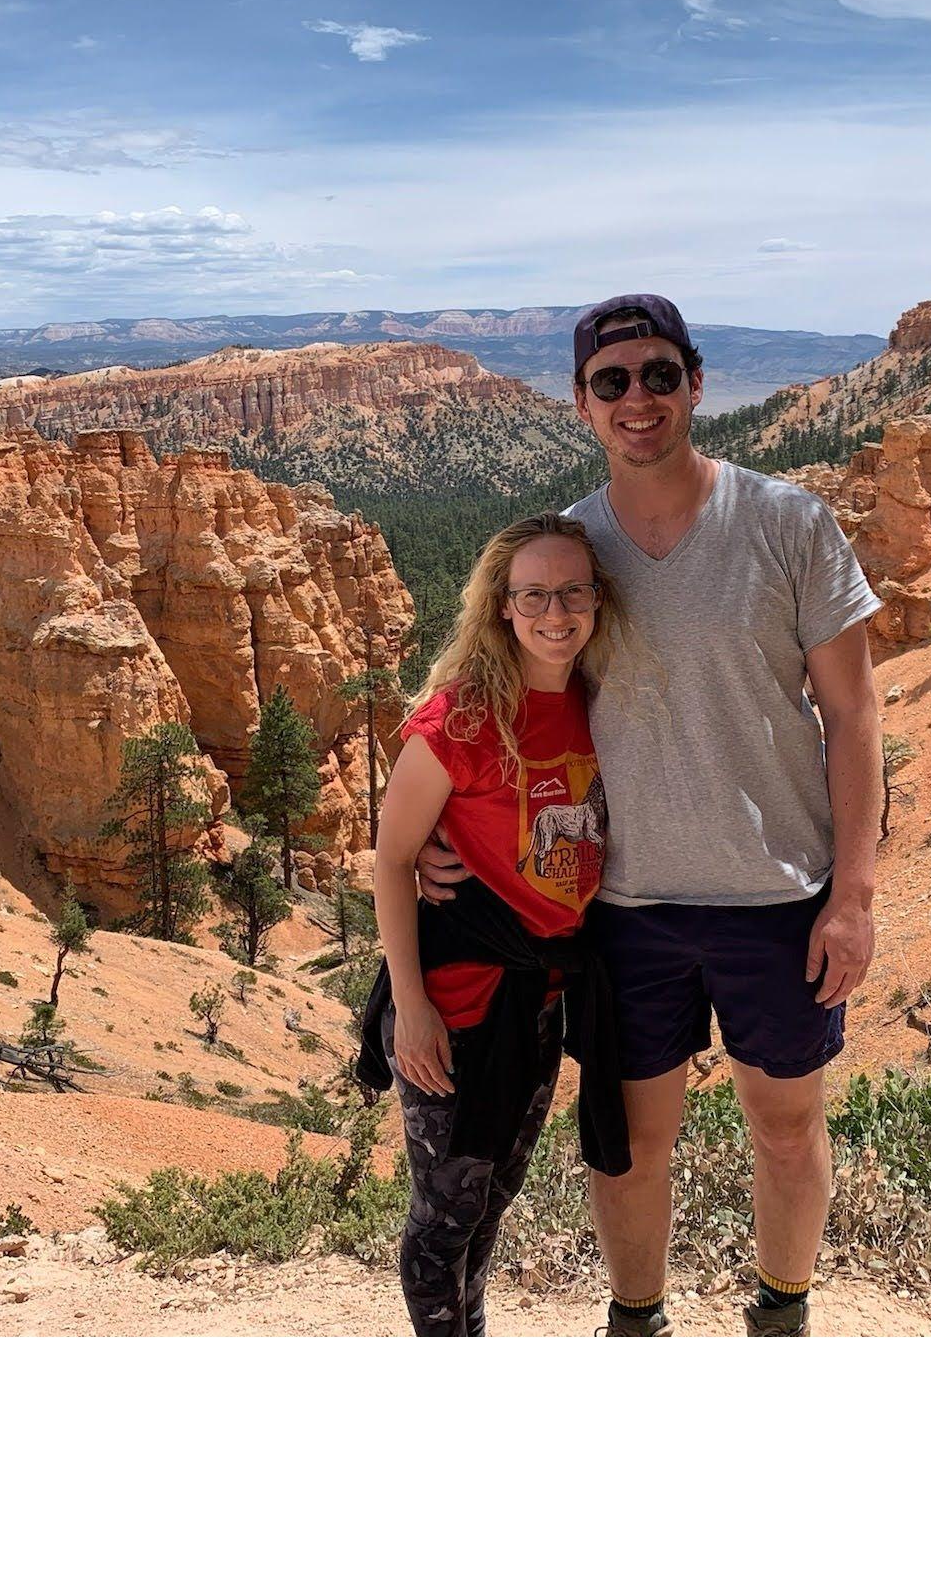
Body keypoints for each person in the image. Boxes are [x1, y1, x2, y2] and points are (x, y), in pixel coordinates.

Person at [420, 295, 882, 1336]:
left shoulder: (787, 522)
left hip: (777, 893)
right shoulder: (568, 553)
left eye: (658, 374)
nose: (638, 397)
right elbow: (485, 701)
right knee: (630, 1137)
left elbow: (853, 713)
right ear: (579, 403)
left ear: (696, 383)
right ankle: (637, 1324)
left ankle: (781, 1313)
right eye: (612, 380)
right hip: (621, 905)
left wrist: (852, 894)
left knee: (784, 1119)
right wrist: (428, 834)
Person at [357, 512, 630, 1336]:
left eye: (572, 591)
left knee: (490, 1205)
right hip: (459, 1005)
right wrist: (410, 1007)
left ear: (597, 599)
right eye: (534, 595)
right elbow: (391, 860)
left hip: (539, 1000)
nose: (557, 613)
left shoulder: (601, 704)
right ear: (502, 608)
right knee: (444, 1221)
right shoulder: (457, 723)